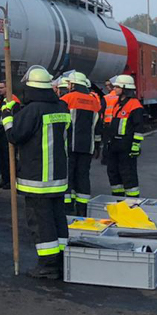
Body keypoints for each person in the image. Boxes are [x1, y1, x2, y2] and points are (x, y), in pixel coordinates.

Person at [2, 65, 71, 279]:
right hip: (58, 177)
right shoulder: (62, 107)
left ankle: (48, 266)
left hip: (37, 179)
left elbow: (15, 136)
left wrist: (7, 117)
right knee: (58, 219)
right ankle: (62, 260)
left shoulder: (32, 111)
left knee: (41, 223)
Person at [61, 71, 102, 216]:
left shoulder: (67, 99)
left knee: (68, 176)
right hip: (87, 147)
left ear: (73, 85)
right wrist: (97, 145)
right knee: (83, 177)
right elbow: (98, 126)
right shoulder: (94, 101)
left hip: (69, 146)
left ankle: (67, 209)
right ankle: (82, 210)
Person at [104, 74, 145, 198]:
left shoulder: (135, 105)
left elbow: (138, 128)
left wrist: (135, 145)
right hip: (115, 144)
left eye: (117, 87)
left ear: (125, 88)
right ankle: (118, 199)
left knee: (128, 174)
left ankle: (132, 201)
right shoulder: (118, 104)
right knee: (113, 173)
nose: (114, 89)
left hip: (126, 145)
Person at [0, 79, 19, 189]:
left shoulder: (13, 101)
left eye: (2, 88)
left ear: (8, 88)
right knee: (1, 158)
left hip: (6, 133)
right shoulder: (1, 101)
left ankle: (11, 181)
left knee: (9, 158)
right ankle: (5, 179)